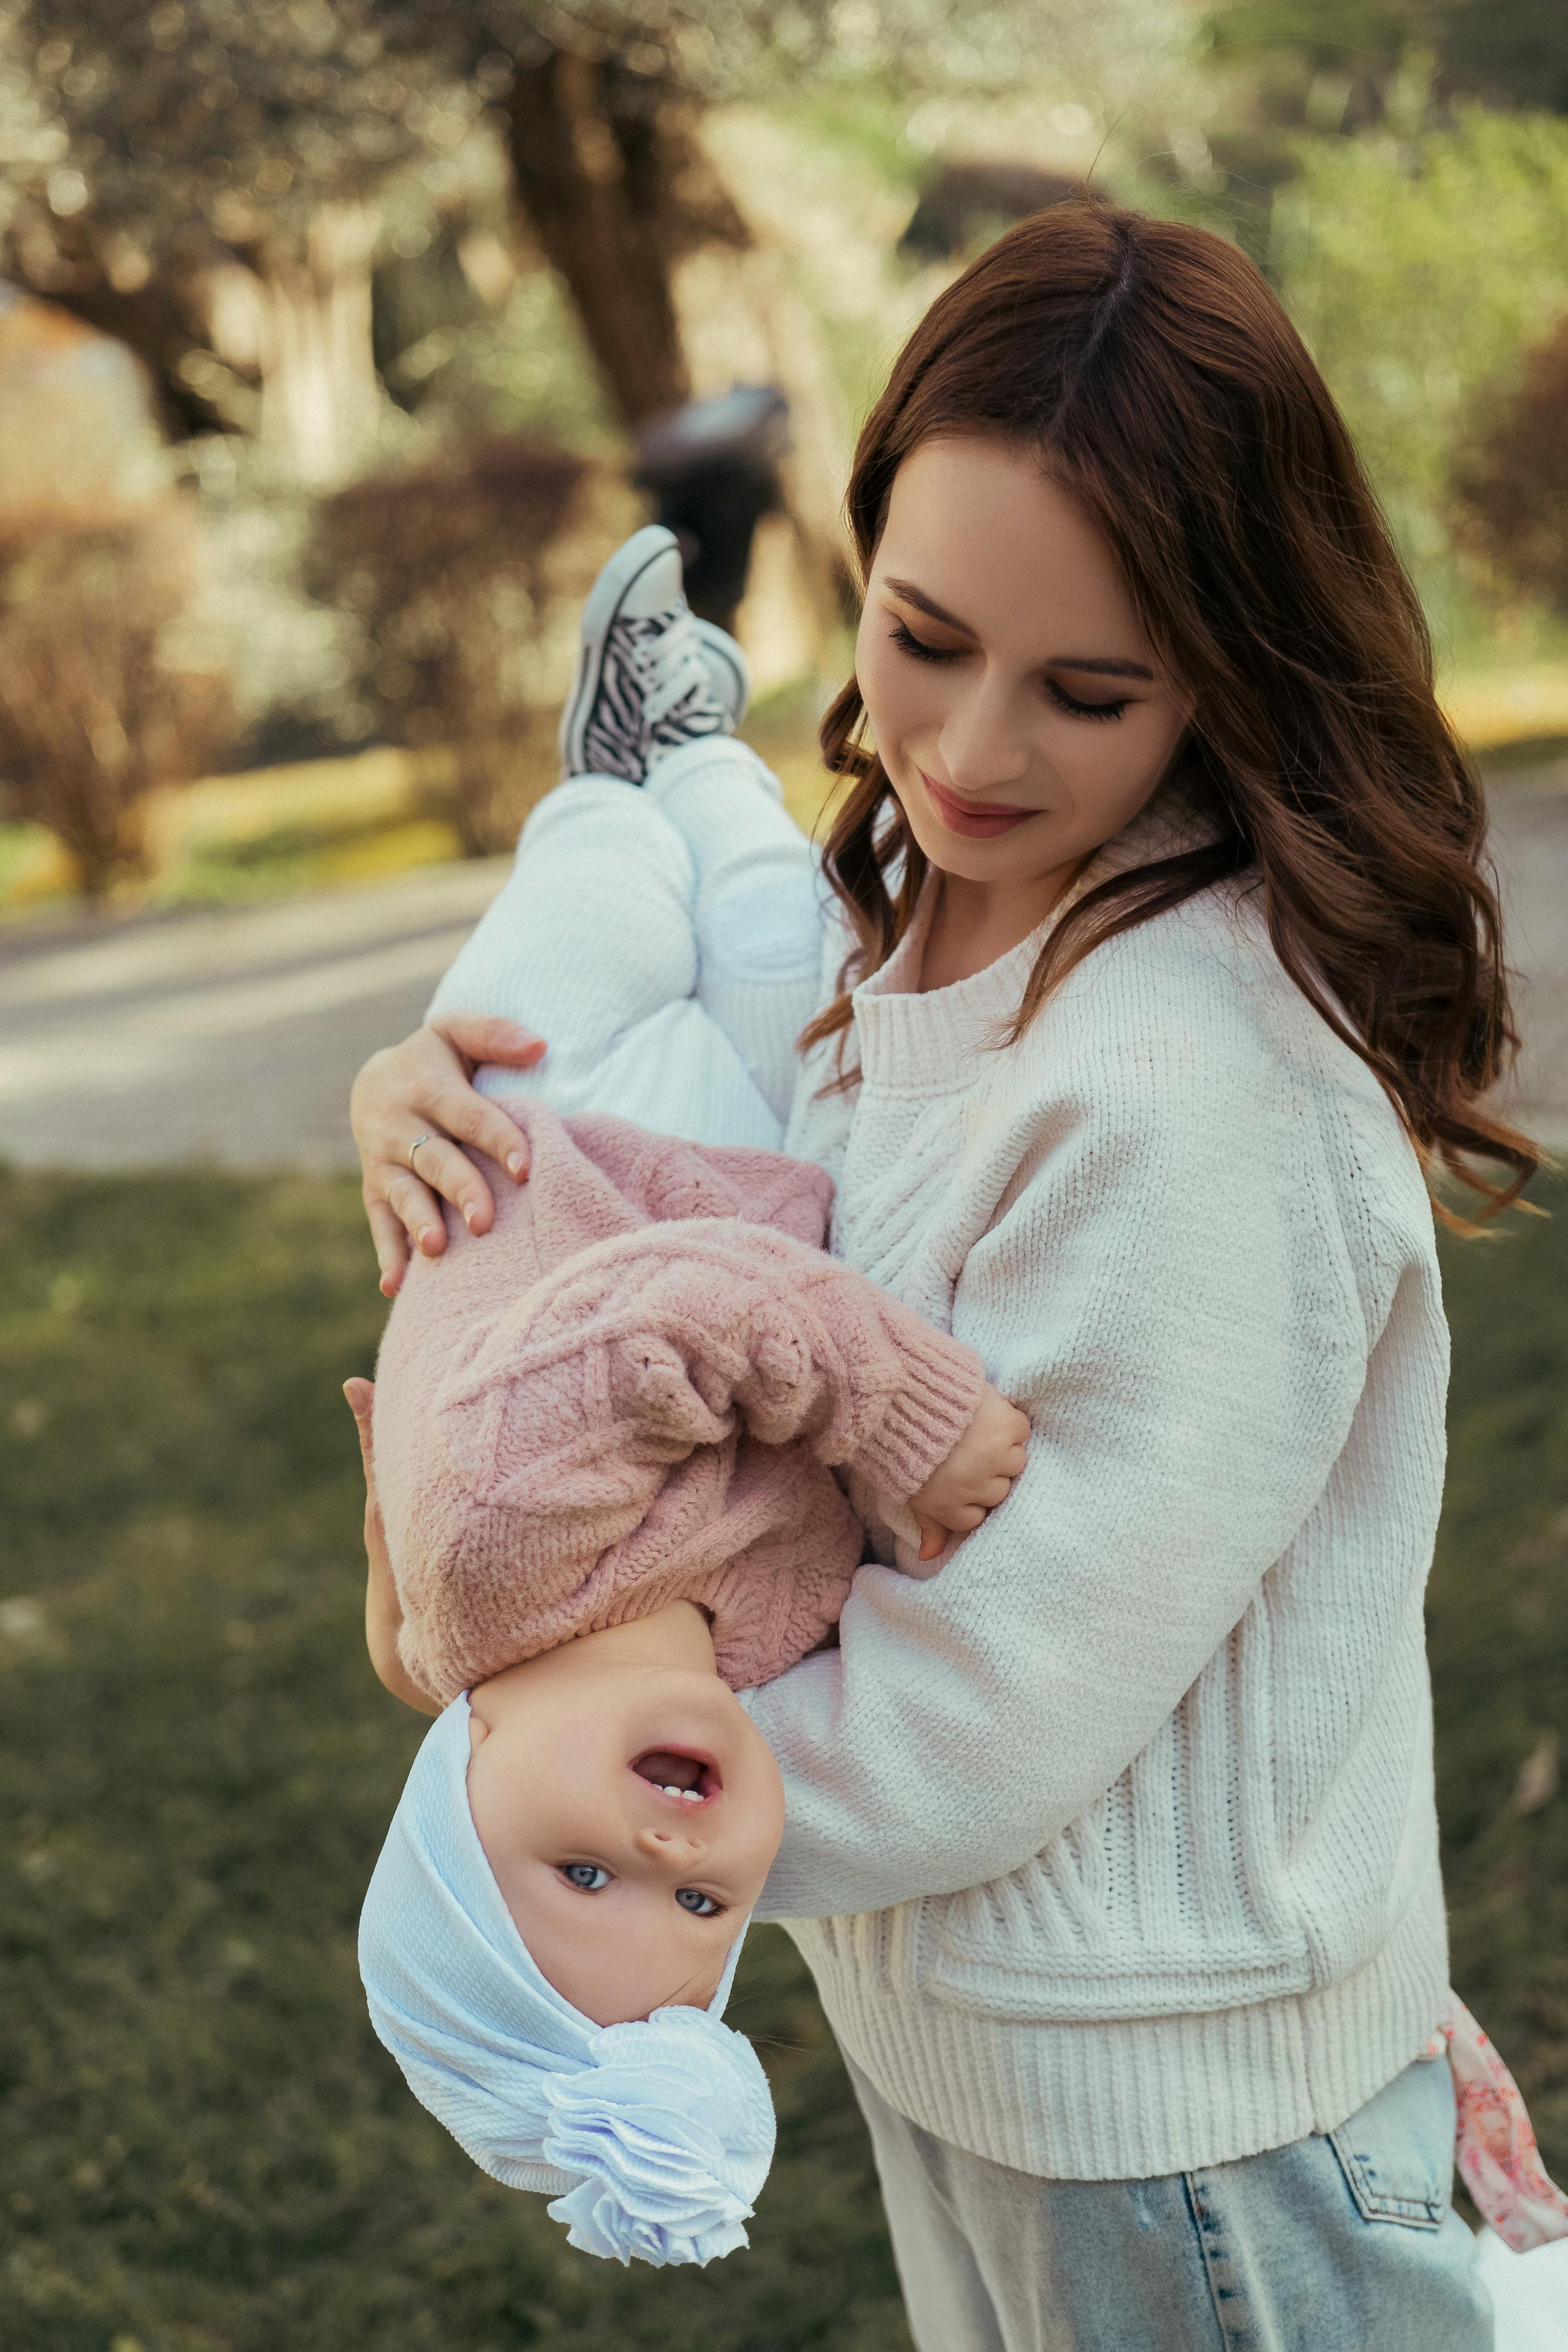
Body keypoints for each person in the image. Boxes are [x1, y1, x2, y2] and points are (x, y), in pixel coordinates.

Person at [349, 202, 1561, 2345]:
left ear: (1233, 661)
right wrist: (445, 1114)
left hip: (1184, 2137)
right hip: (985, 2054)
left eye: (1089, 691)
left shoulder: (1194, 1093)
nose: (976, 750)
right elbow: (698, 1188)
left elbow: (990, 1699)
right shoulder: (924, 906)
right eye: (922, 638)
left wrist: (560, 1722)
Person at [353, 528, 1030, 2270]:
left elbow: (682, 1316)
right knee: (774, 919)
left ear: (465, 1776)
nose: (670, 1847)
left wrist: (900, 1424)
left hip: (545, 1134)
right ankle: (710, 752)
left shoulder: (504, 1548)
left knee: (611, 899)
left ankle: (604, 771)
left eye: (584, 1874)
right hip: (733, 1166)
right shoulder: (745, 1650)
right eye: (703, 1904)